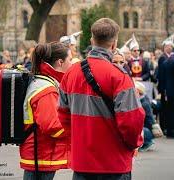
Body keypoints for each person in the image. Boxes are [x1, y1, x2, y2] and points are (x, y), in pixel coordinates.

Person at [58, 18, 145, 180]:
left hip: (82, 162)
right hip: (114, 163)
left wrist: (79, 140)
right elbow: (132, 120)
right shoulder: (119, 76)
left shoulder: (71, 73)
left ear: (92, 40)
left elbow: (62, 116)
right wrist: (133, 144)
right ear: (114, 44)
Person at [20, 42, 72, 180]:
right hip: (41, 154)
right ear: (60, 62)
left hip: (40, 152)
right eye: (70, 60)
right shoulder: (47, 89)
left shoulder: (44, 81)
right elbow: (53, 127)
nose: (72, 64)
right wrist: (76, 126)